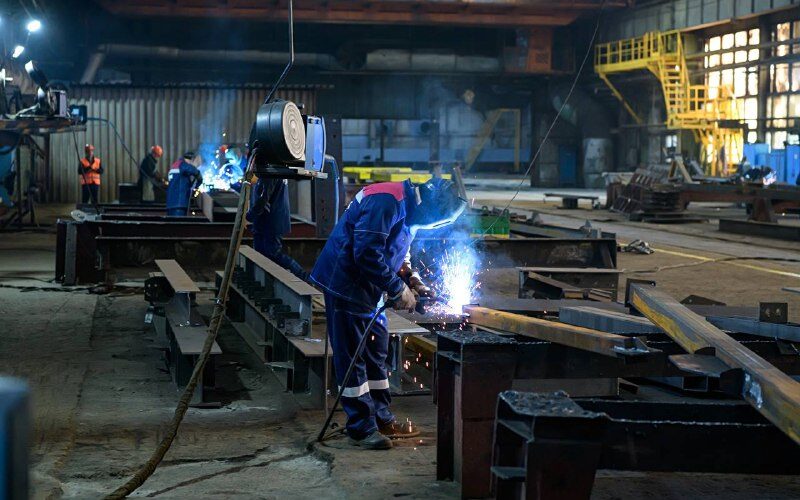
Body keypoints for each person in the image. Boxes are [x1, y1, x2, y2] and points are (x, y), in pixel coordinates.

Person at [310, 177, 466, 450]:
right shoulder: (385, 200)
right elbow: (366, 253)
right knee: (353, 357)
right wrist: (397, 288)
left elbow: (398, 250)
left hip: (369, 288)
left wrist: (412, 278)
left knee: (376, 351)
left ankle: (381, 418)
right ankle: (361, 428)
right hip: (346, 284)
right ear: (427, 206)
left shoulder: (410, 209)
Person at [246, 176, 308, 280]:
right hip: (268, 220)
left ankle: (302, 275)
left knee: (272, 253)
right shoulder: (276, 172)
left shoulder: (269, 173)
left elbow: (263, 198)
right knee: (262, 255)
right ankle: (266, 281)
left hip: (270, 221)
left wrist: (249, 216)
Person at [166, 151, 203, 216]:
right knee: (179, 222)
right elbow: (193, 170)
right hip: (179, 203)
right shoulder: (183, 165)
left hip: (171, 204)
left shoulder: (176, 165)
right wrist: (199, 175)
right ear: (192, 160)